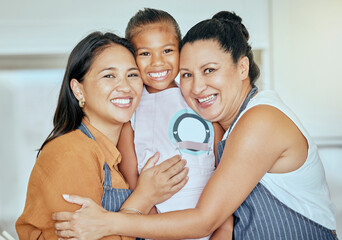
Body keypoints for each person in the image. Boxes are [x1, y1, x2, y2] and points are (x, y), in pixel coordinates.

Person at [53, 11, 338, 240]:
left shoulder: (261, 121)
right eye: (187, 74)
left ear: (242, 68)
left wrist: (107, 223)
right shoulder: (225, 124)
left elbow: (207, 220)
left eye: (209, 70)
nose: (198, 86)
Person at [16, 31, 189, 240]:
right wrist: (144, 197)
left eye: (132, 75)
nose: (125, 86)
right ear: (78, 90)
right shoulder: (70, 152)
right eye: (109, 75)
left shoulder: (121, 155)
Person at [116, 8, 231, 239]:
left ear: (181, 51)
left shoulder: (201, 99)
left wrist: (225, 229)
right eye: (145, 53)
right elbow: (132, 186)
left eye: (167, 50)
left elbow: (224, 172)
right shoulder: (129, 118)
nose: (158, 62)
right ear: (131, 57)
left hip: (212, 226)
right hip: (158, 230)